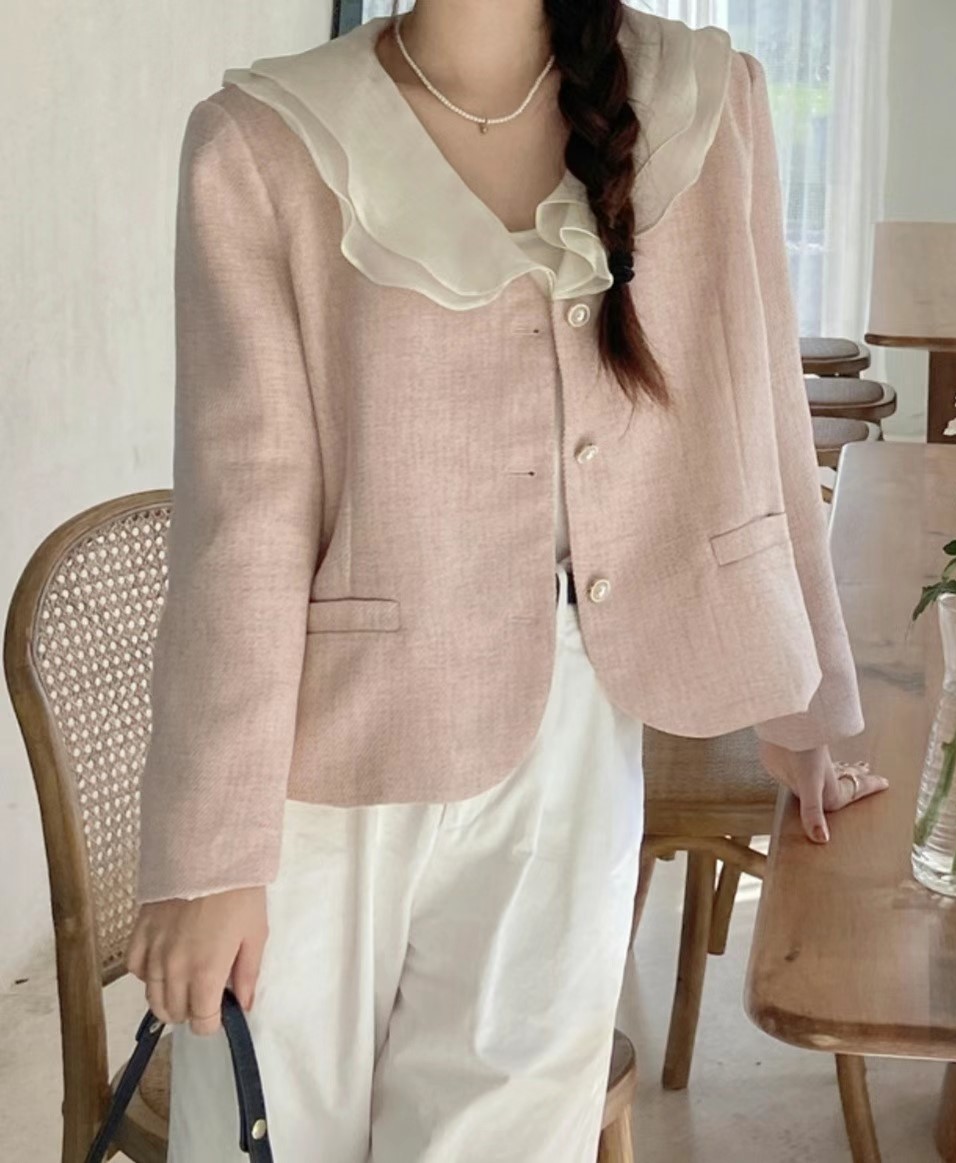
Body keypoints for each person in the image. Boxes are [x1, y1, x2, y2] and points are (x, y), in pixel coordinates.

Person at [127, 2, 888, 1159]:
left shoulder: (703, 97)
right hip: (321, 764)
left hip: (575, 732)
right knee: (265, 1133)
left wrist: (806, 706)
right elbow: (243, 515)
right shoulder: (267, 138)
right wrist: (211, 856)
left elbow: (761, 416)